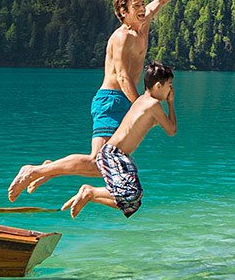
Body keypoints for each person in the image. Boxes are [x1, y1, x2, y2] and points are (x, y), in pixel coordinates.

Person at [8, 0, 203, 200]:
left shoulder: (144, 22)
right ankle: (35, 170)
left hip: (126, 101)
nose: (142, 9)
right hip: (111, 100)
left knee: (104, 166)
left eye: (142, 4)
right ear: (123, 12)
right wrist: (139, 106)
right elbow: (122, 77)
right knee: (97, 162)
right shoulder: (120, 38)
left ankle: (50, 168)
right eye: (136, 6)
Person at [63, 62, 176, 218]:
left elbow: (153, 123)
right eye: (169, 85)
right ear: (158, 86)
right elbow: (171, 130)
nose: (171, 89)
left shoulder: (141, 101)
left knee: (133, 202)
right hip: (113, 154)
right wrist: (170, 103)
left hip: (116, 154)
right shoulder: (153, 104)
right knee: (131, 194)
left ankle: (92, 195)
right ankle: (90, 191)